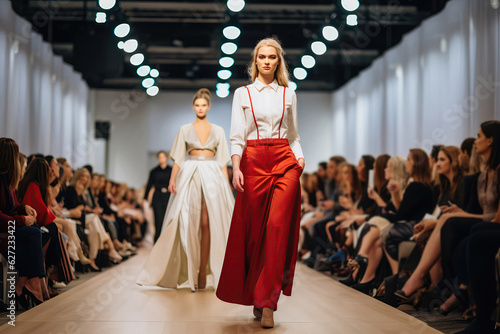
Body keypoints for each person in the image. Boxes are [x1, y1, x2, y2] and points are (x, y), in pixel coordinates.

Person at [216, 37, 305, 329]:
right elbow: (236, 134)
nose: (266, 61)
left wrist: (300, 158)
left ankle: (268, 302)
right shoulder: (243, 94)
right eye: (261, 57)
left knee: (277, 227)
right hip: (253, 160)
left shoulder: (289, 94)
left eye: (272, 57)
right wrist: (236, 165)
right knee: (255, 233)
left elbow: (293, 135)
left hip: (284, 161)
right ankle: (256, 293)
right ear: (255, 61)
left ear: (278, 61)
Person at [137, 88, 234, 292]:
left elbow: (223, 161)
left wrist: (226, 184)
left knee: (209, 223)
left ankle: (202, 272)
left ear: (208, 107)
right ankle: (192, 269)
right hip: (190, 172)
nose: (200, 108)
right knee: (189, 222)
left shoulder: (218, 131)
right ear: (193, 107)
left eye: (203, 105)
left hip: (212, 174)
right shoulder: (184, 129)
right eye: (197, 105)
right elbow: (179, 158)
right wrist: (173, 180)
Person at [144, 151, 172, 243]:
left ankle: (167, 241)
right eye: (160, 157)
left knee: (167, 219)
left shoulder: (171, 170)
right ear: (157, 159)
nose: (161, 159)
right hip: (157, 197)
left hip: (168, 197)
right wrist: (145, 199)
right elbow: (149, 185)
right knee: (158, 220)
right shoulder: (154, 171)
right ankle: (157, 242)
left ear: (166, 158)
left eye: (163, 157)